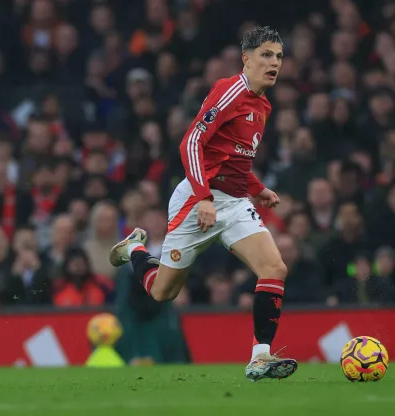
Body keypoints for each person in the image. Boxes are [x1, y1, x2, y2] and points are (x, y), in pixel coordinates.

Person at [108, 26, 297, 381]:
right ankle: (135, 249)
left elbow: (235, 158)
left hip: (235, 203)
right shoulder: (230, 91)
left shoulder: (263, 105)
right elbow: (191, 143)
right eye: (266, 56)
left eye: (279, 57)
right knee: (163, 292)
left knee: (274, 268)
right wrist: (204, 197)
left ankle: (260, 358)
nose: (274, 63)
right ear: (247, 59)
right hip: (197, 201)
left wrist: (257, 188)